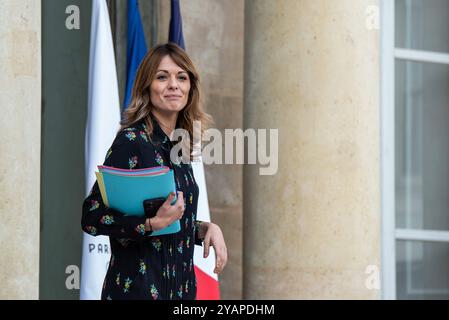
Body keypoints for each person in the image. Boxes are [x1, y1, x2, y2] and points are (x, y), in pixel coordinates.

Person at [81, 42, 227, 300]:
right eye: (162, 77)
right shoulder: (132, 141)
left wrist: (204, 229)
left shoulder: (178, 148)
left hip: (180, 292)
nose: (174, 85)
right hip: (136, 291)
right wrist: (149, 224)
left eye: (181, 77)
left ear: (190, 87)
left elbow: (170, 222)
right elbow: (92, 216)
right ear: (147, 87)